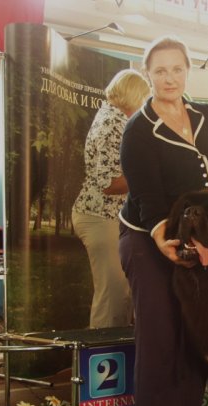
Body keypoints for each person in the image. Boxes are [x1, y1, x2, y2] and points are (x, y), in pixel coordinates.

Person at [118, 36, 208, 406]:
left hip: (198, 238)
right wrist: (163, 240)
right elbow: (148, 200)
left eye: (177, 69)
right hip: (147, 236)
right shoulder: (138, 130)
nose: (169, 78)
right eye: (160, 71)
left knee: (196, 331)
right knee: (160, 333)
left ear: (188, 70)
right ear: (147, 74)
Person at [72, 69, 150, 329]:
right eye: (144, 98)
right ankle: (100, 364)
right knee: (113, 297)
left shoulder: (116, 119)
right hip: (99, 216)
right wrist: (151, 175)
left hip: (109, 218)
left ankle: (116, 360)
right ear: (134, 95)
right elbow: (108, 184)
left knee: (122, 294)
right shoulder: (111, 123)